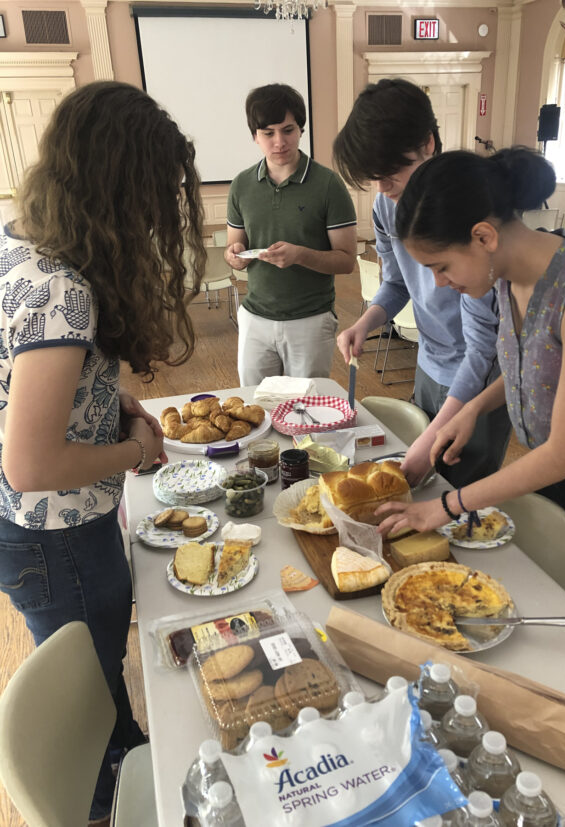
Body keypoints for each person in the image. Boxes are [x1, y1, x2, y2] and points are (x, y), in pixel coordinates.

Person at [0, 81, 206, 823]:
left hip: (29, 529)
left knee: (97, 680)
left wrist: (110, 399)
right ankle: (106, 797)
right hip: (55, 530)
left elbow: (27, 381)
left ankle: (117, 749)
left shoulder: (19, 242)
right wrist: (133, 452)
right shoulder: (63, 291)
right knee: (94, 685)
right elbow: (32, 463)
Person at [376, 147, 565, 637]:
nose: (439, 284)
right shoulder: (506, 277)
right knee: (545, 605)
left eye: (442, 266)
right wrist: (474, 408)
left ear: (483, 236)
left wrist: (446, 505)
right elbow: (537, 365)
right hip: (550, 473)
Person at [333, 79, 512, 488]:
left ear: (428, 144)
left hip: (479, 378)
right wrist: (366, 323)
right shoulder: (386, 202)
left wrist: (433, 437)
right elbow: (396, 283)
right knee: (422, 485)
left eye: (391, 172)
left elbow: (483, 347)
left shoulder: (471, 213)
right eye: (372, 177)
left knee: (459, 496)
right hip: (429, 364)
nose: (382, 188)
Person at [225, 83, 357, 385]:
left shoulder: (328, 185)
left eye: (288, 130)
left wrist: (300, 255)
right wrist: (234, 255)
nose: (279, 142)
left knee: (306, 411)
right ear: (254, 136)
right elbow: (236, 244)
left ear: (301, 129)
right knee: (255, 411)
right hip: (255, 316)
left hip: (310, 319)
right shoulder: (241, 185)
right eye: (268, 133)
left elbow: (347, 261)